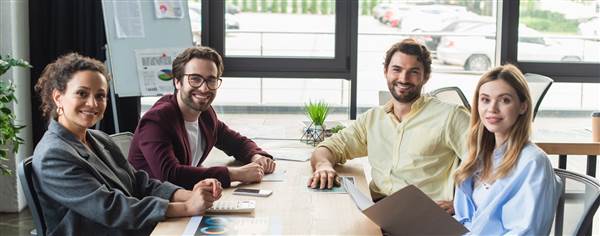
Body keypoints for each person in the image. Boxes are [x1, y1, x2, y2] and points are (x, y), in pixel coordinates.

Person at [32, 53, 222, 236]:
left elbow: (139, 182)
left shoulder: (98, 138)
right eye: (82, 93)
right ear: (58, 97)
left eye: (100, 96)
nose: (92, 103)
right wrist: (187, 207)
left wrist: (190, 194)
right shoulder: (54, 154)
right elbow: (110, 208)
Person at [307, 38, 470, 213]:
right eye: (397, 69)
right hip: (379, 209)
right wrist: (323, 165)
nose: (403, 78)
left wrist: (460, 205)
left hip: (424, 215)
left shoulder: (451, 116)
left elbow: (489, 166)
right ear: (386, 72)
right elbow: (330, 147)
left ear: (426, 76)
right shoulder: (373, 118)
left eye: (413, 72)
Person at [128, 46, 275, 189]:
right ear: (177, 82)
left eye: (211, 80)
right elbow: (171, 174)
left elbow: (236, 143)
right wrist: (235, 174)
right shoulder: (157, 120)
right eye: (195, 79)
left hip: (186, 199)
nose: (204, 88)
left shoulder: (205, 115)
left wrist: (256, 156)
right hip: (154, 206)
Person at [453, 64, 561, 234]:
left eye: (505, 100)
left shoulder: (533, 163)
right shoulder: (475, 157)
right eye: (485, 100)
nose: (492, 109)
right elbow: (464, 221)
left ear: (523, 106)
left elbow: (527, 232)